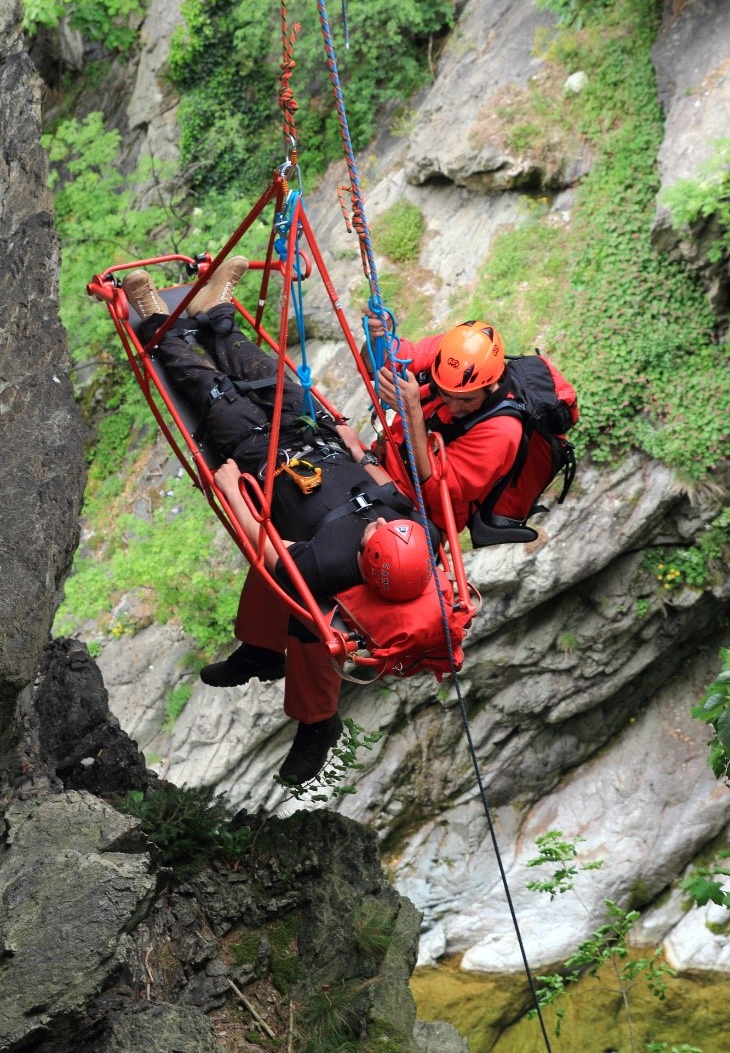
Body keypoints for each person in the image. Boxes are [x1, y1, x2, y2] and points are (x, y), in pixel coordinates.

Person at [121, 259, 437, 784]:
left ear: (367, 554)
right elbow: (389, 482)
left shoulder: (326, 564)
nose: (378, 522)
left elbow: (268, 553)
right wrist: (357, 448)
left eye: (375, 531)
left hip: (256, 451)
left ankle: (153, 312)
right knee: (262, 370)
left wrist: (233, 496)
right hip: (310, 429)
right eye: (386, 524)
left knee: (206, 384)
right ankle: (217, 309)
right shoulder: (407, 526)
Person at [362, 315, 578, 534]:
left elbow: (438, 492)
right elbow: (381, 363)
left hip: (417, 514)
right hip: (379, 465)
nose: (455, 407)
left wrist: (413, 416)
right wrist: (374, 341)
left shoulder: (502, 432)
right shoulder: (448, 358)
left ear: (491, 385)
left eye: (467, 399)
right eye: (446, 395)